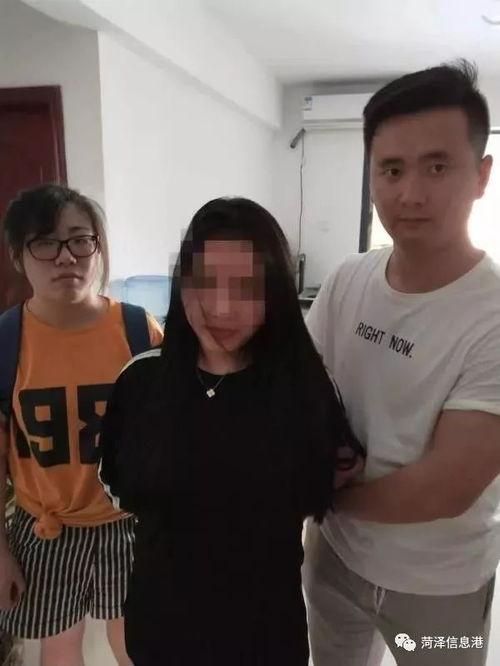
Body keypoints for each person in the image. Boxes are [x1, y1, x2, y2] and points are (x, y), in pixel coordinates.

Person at [98, 197, 364, 666]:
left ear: (275, 293)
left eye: (247, 287)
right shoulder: (141, 380)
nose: (221, 308)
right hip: (161, 630)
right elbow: (114, 483)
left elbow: (326, 483)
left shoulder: (306, 387)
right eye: (204, 282)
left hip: (266, 637)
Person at [303, 60, 500, 666]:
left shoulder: (492, 314)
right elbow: (297, 385)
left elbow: (446, 487)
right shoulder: (349, 278)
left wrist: (322, 497)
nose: (410, 193)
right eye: (391, 169)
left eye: (437, 167)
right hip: (334, 559)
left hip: (436, 584)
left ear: (481, 175)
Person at [0, 184, 163, 666]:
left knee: (138, 645)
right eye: (45, 243)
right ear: (18, 256)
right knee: (60, 648)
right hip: (46, 529)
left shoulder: (140, 330)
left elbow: (172, 435)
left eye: (79, 240)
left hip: (129, 525)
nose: (66, 257)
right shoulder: (7, 341)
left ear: (98, 246)